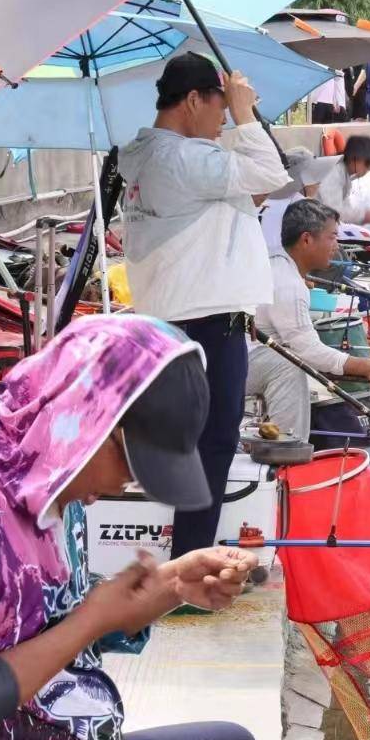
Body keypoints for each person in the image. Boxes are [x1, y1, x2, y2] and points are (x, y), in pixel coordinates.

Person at [0, 315, 259, 740]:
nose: (123, 485)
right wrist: (91, 620)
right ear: (86, 420)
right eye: (128, 461)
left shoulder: (54, 480)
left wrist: (173, 584)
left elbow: (59, 622)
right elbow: (75, 627)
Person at [118, 54, 290, 560]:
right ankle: (189, 565)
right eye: (218, 108)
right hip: (208, 321)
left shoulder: (149, 156)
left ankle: (185, 559)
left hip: (178, 316)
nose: (222, 121)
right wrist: (246, 115)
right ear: (194, 100)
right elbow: (270, 170)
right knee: (211, 445)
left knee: (194, 444)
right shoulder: (183, 159)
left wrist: (231, 117)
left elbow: (248, 185)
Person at [246, 199, 370, 441]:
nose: (336, 245)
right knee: (290, 365)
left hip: (245, 355)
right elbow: (310, 352)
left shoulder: (281, 266)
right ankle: (287, 448)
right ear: (307, 239)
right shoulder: (287, 284)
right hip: (243, 362)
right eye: (331, 237)